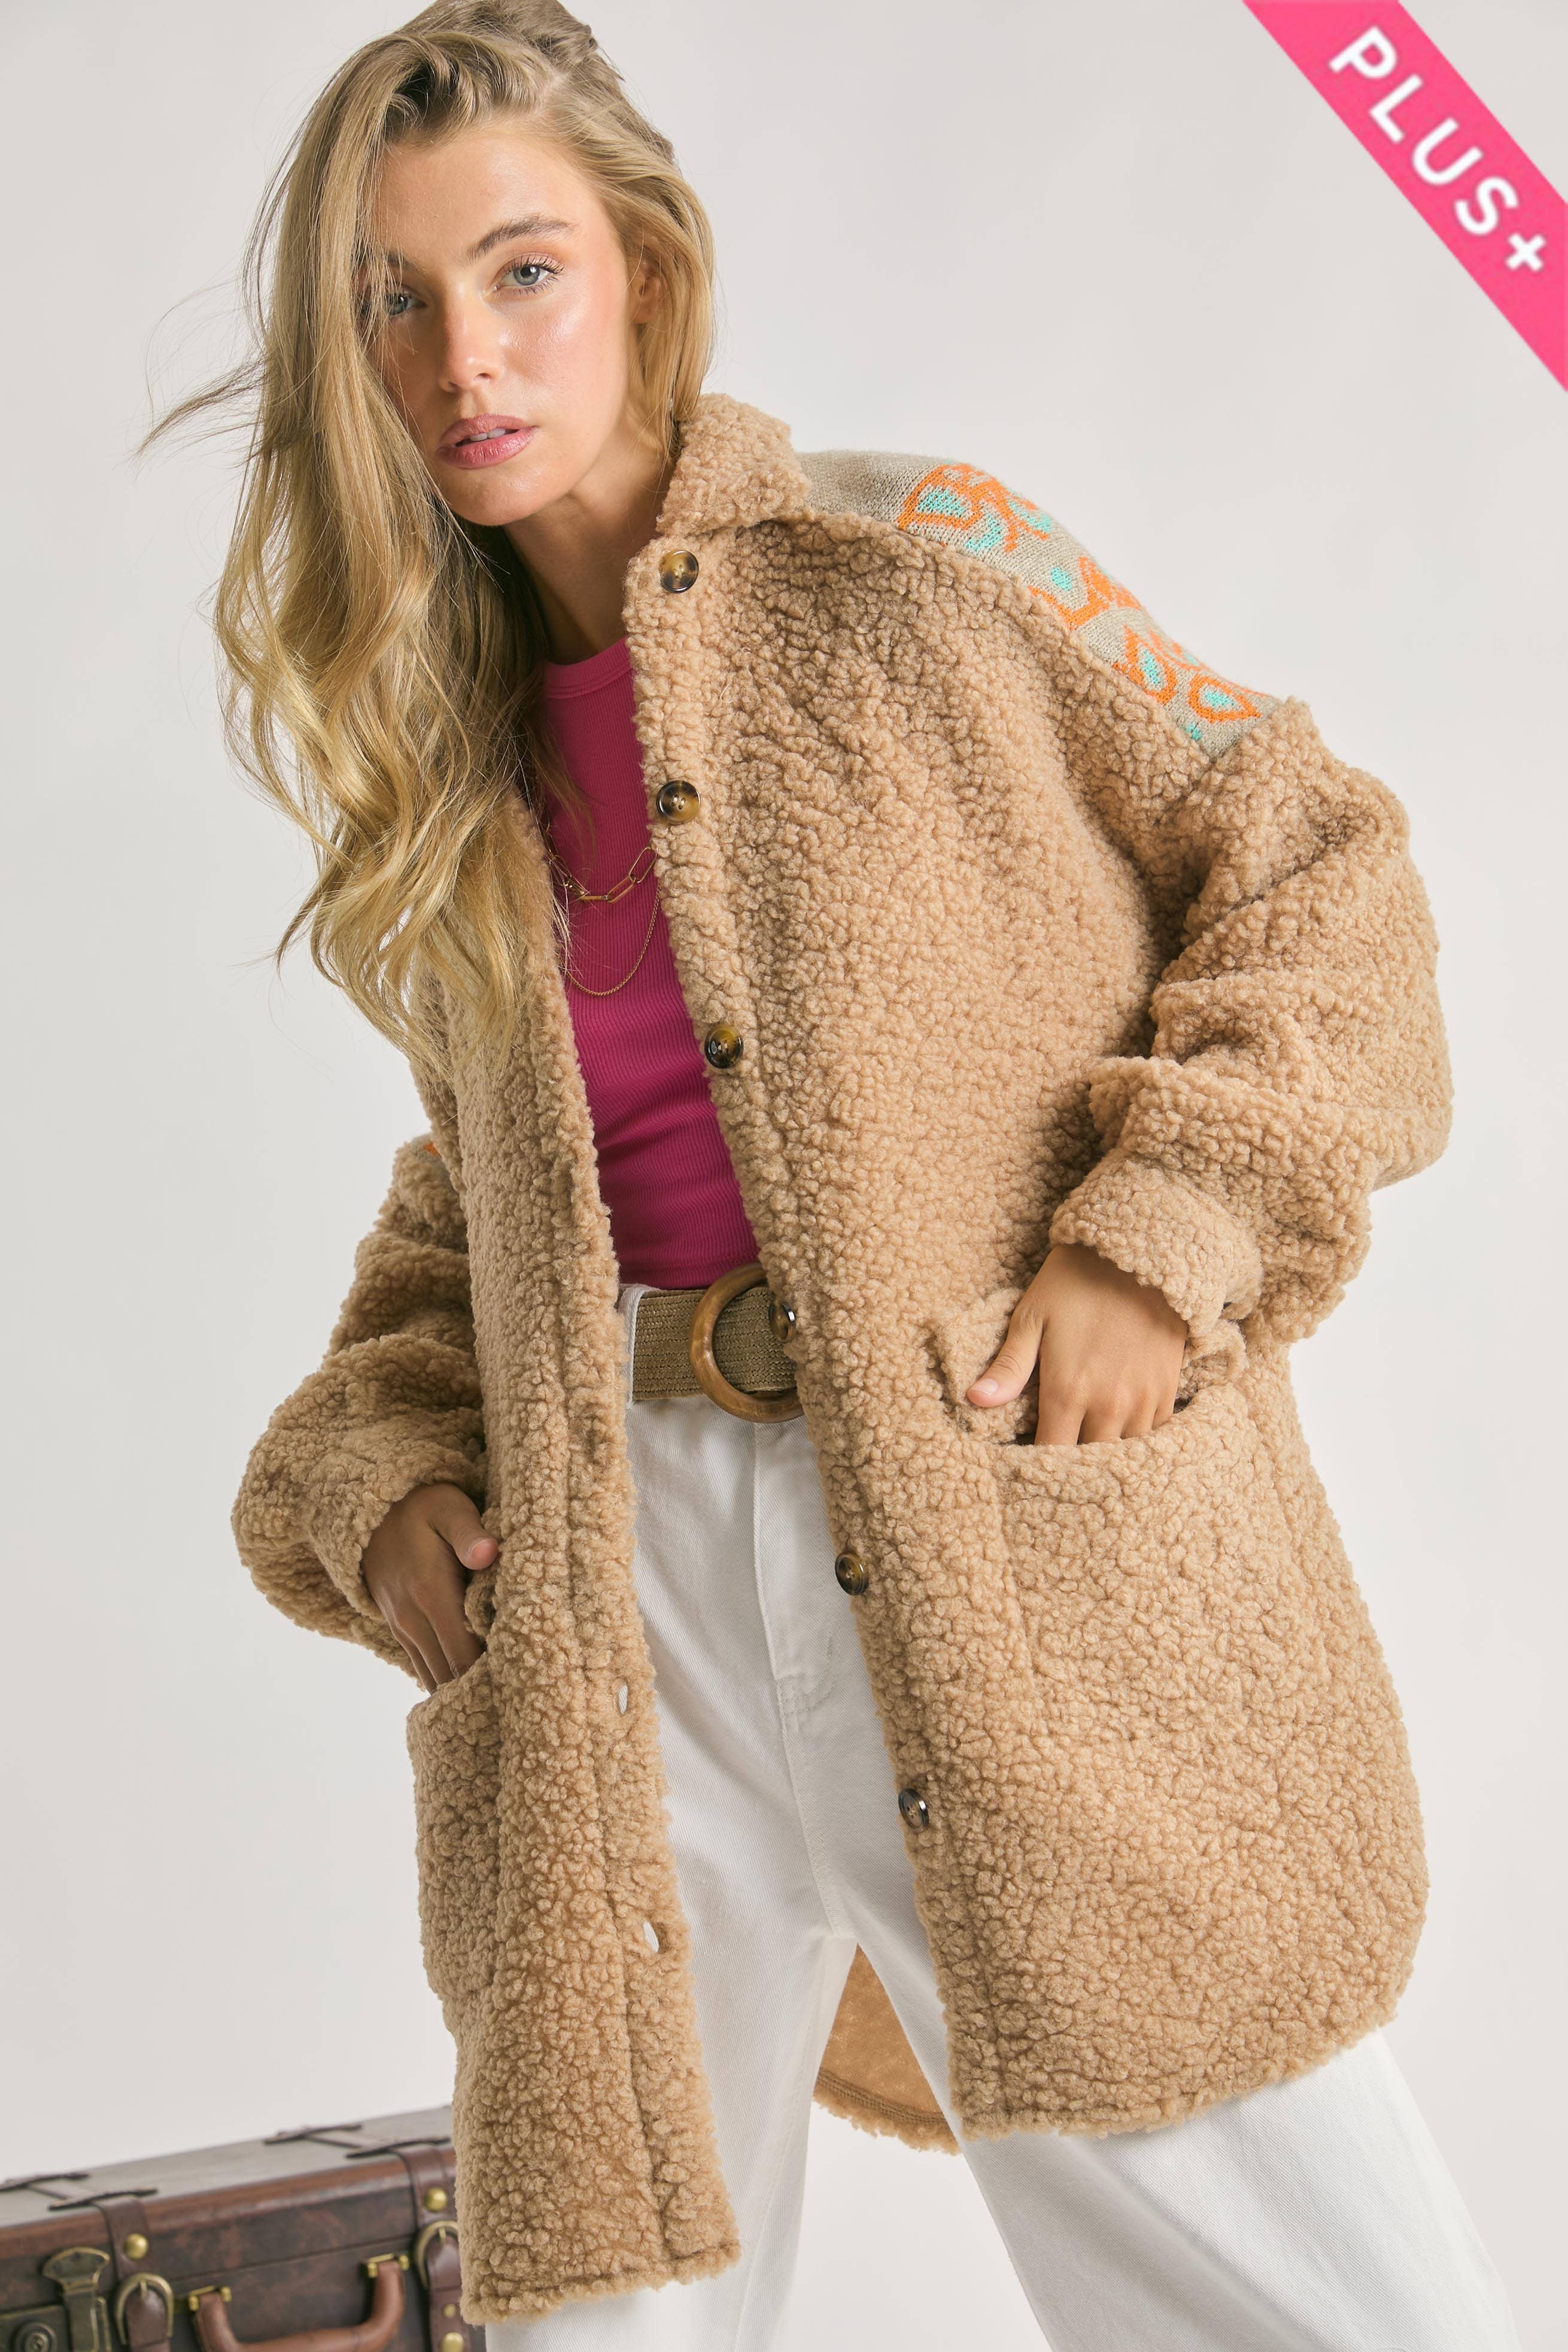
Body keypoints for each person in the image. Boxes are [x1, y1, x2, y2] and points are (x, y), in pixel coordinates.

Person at [166, 1, 1520, 2344]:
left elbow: (1324, 868)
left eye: (521, 272)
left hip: (1004, 1534)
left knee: (1315, 2296)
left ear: (645, 271)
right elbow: (485, 1213)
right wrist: (384, 1470)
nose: (463, 358)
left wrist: (1160, 1239)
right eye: (391, 301)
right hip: (618, 1619)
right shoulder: (443, 766)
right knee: (609, 2313)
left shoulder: (925, 558)